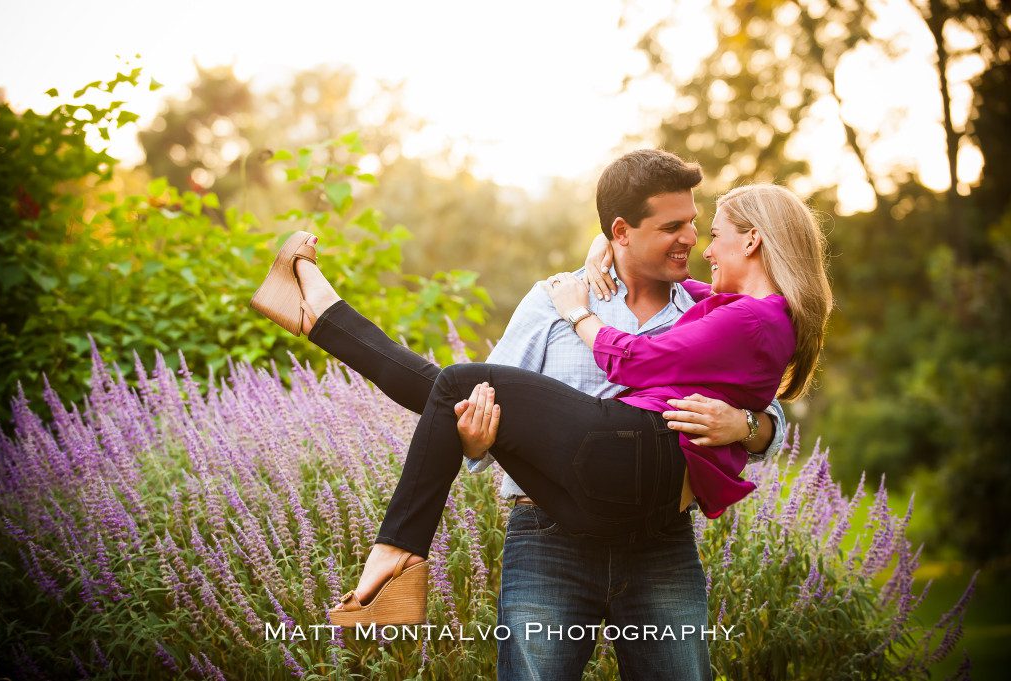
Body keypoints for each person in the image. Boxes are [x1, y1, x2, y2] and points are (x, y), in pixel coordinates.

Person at [250, 157, 828, 680]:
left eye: (697, 224)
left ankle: (322, 320)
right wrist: (475, 444)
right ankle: (320, 315)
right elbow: (482, 406)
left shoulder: (704, 306)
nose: (693, 240)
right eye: (672, 228)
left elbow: (762, 403)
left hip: (659, 542)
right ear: (620, 233)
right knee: (455, 391)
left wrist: (748, 426)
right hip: (550, 535)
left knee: (449, 383)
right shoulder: (555, 299)